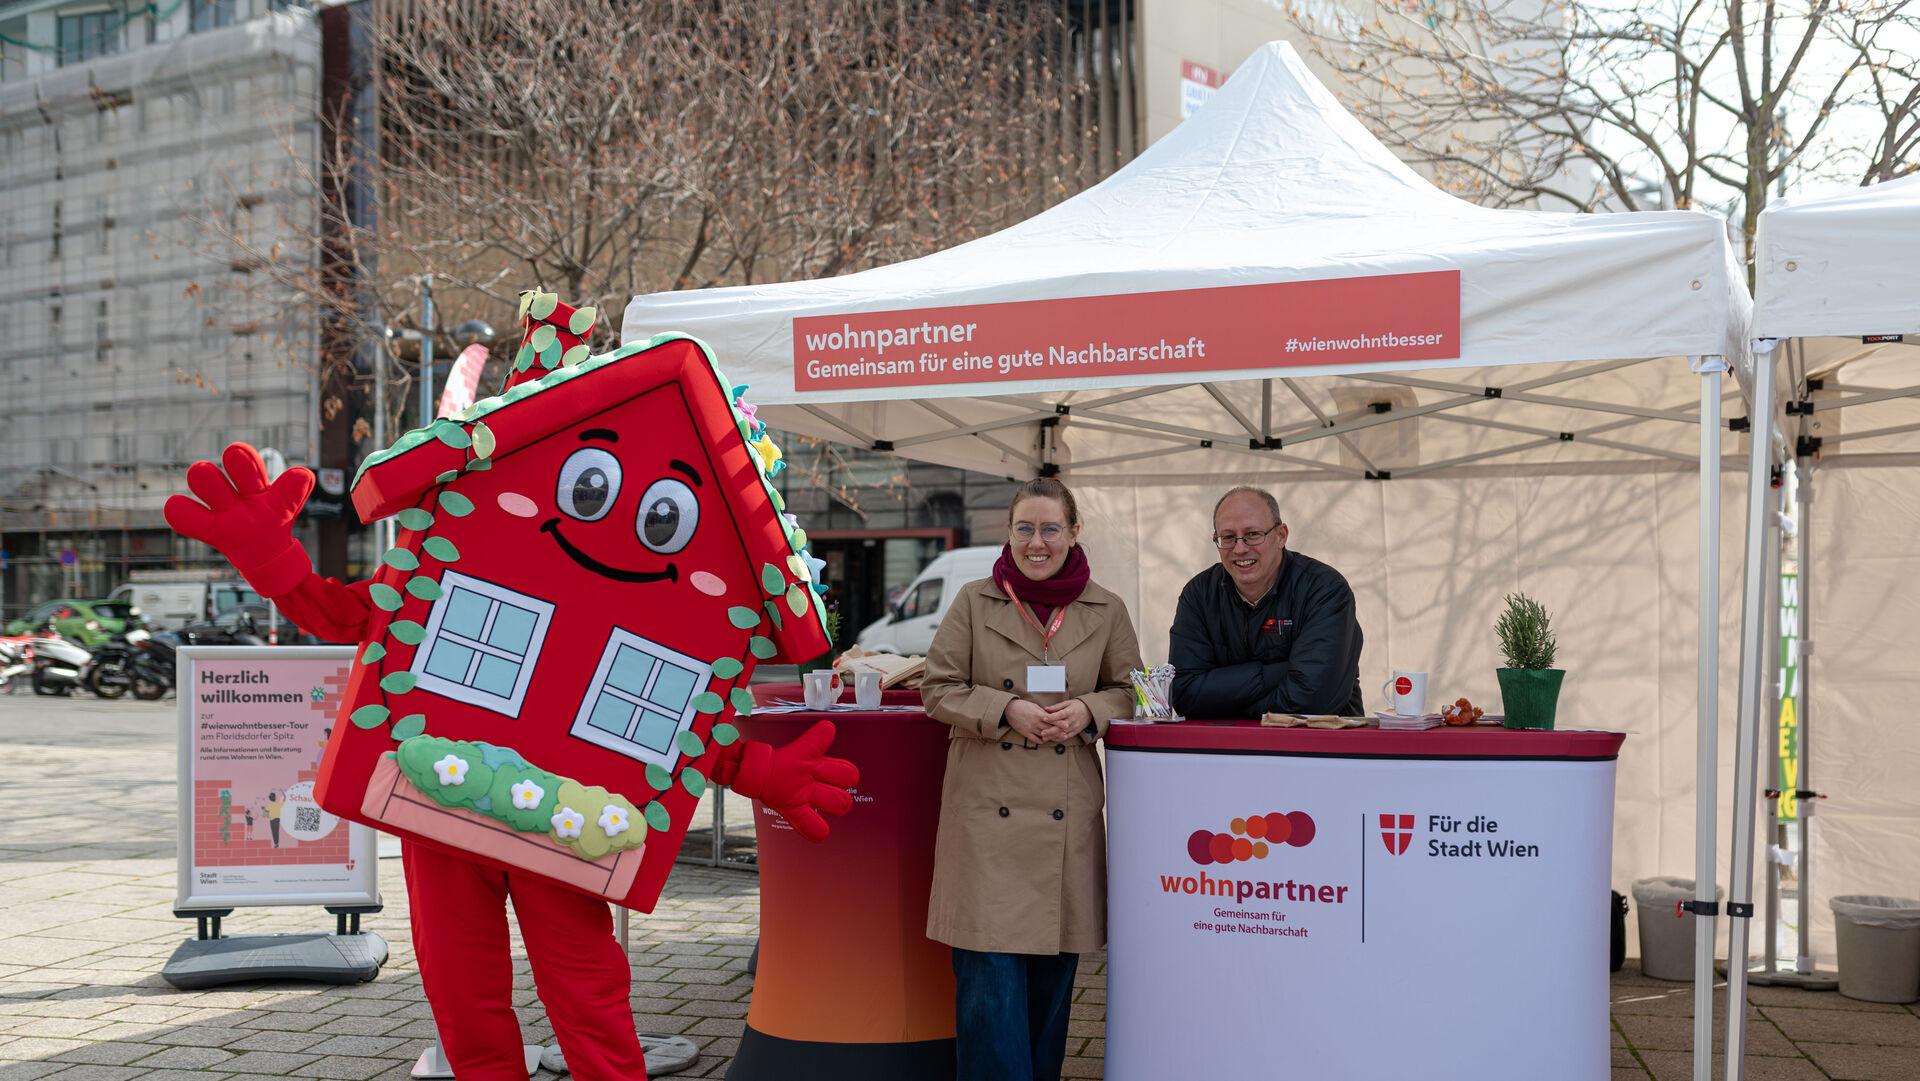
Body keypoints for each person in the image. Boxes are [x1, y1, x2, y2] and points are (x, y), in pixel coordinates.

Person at [920, 477, 1143, 1081]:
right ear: (1008, 532)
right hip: (986, 821)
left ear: (1073, 533)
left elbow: (1134, 691)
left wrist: (1089, 711)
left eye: (1049, 529)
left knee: (1049, 995)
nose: (1036, 543)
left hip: (1063, 818)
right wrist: (1003, 709)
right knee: (989, 997)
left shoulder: (1107, 608)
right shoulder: (973, 599)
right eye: (1025, 528)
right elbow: (936, 688)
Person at [1168, 486, 1364, 718]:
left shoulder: (1323, 589)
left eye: (1253, 535)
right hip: (1226, 751)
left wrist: (1225, 704)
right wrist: (1276, 673)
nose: (1240, 549)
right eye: (1228, 537)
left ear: (1281, 536)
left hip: (1319, 748)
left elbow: (1313, 701)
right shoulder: (1199, 595)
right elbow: (1183, 695)